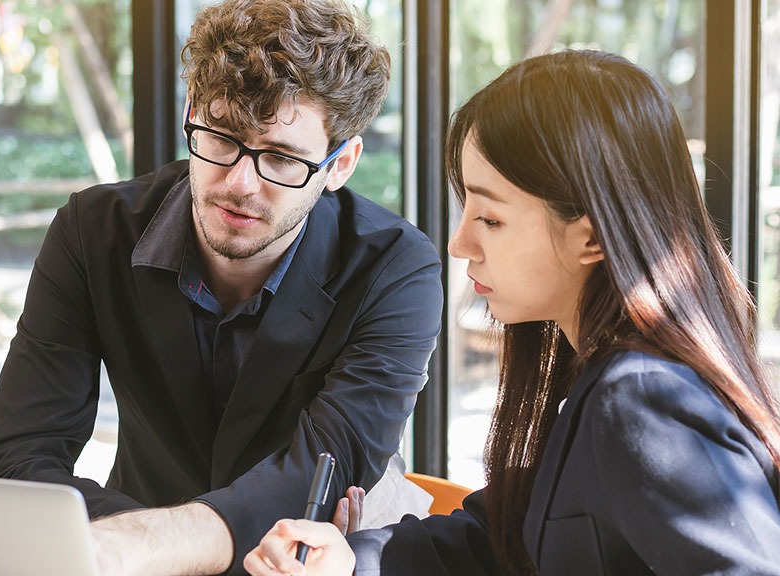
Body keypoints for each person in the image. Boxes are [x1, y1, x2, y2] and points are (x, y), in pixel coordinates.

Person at [244, 49, 780, 576]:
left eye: (491, 219)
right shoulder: (594, 376)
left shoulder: (640, 399)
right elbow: (506, 536)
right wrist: (349, 562)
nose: (459, 243)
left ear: (590, 237)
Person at [0, 1, 443, 575]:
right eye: (221, 137)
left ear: (340, 165)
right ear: (192, 111)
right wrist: (142, 542)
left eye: (281, 158)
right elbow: (15, 459)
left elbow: (329, 463)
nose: (239, 184)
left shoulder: (396, 266)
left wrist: (137, 542)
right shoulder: (92, 232)